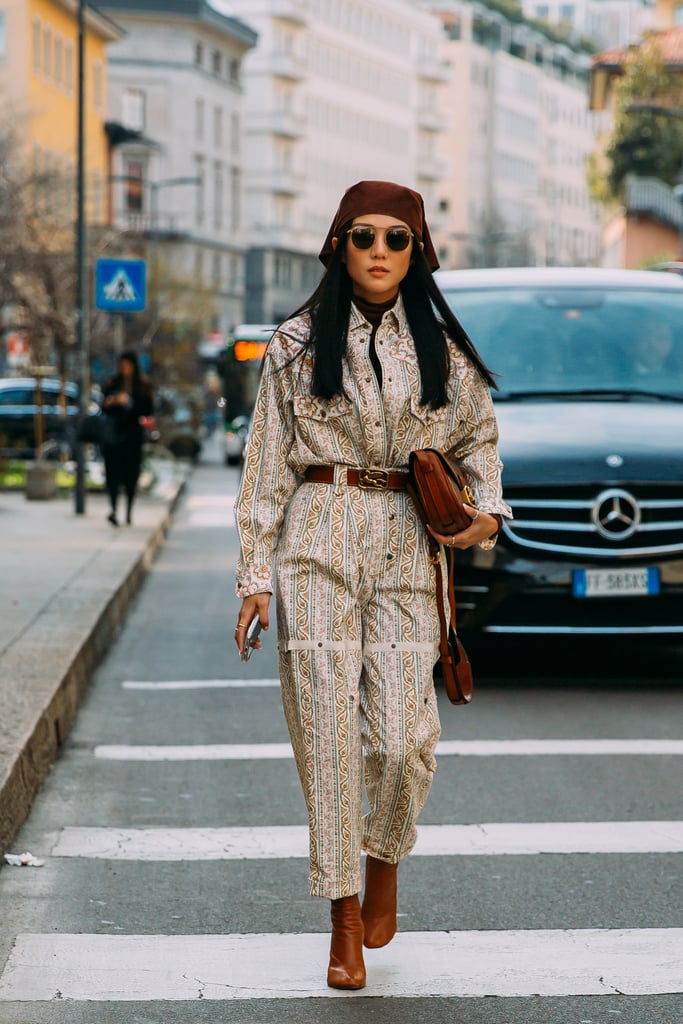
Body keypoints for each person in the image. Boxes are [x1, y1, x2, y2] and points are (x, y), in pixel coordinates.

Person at [233, 180, 511, 990]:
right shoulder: (292, 345)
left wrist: (483, 517)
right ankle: (342, 916)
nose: (380, 251)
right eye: (364, 237)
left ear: (417, 252)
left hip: (405, 543)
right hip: (316, 533)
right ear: (338, 246)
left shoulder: (446, 352)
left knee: (399, 738)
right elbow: (262, 467)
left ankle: (385, 851)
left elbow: (481, 446)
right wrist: (254, 575)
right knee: (324, 732)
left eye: (396, 238)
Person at [101, 350, 154, 526]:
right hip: (113, 436)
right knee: (113, 475)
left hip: (132, 437)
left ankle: (128, 512)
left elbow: (147, 409)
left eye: (127, 365)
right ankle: (114, 510)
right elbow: (104, 406)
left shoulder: (142, 385)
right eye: (121, 365)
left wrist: (129, 402)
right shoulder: (113, 382)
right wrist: (113, 401)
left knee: (131, 475)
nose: (124, 369)